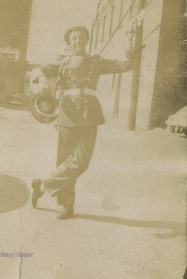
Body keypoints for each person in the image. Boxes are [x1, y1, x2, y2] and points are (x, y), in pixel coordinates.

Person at [31, 24, 135, 219]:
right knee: (64, 160)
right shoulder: (61, 63)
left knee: (81, 161)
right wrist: (42, 80)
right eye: (74, 38)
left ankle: (43, 185)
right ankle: (65, 206)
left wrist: (130, 39)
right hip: (67, 114)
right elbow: (38, 70)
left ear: (87, 40)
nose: (77, 40)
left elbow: (126, 65)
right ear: (70, 43)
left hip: (89, 114)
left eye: (81, 37)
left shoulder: (96, 62)